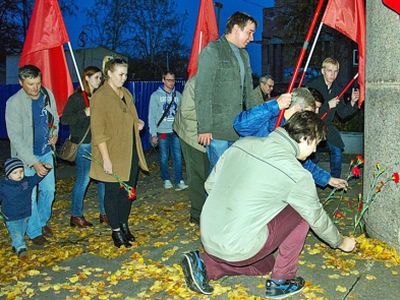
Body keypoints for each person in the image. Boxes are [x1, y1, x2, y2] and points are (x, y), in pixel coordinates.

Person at [180, 111, 356, 298]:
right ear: (305, 138)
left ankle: (205, 266)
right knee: (302, 211)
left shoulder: (243, 144)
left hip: (209, 235)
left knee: (265, 266)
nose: (314, 151)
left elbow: (210, 185)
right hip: (239, 245)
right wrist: (340, 242)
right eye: (315, 144)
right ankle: (282, 281)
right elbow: (316, 216)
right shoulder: (296, 174)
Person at [233, 87, 348, 190]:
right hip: (245, 178)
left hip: (266, 183)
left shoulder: (294, 129)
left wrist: (327, 179)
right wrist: (275, 105)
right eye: (307, 114)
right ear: (298, 109)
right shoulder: (270, 118)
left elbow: (301, 160)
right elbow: (240, 125)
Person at [90, 57, 149, 248]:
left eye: (126, 74)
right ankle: (115, 230)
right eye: (120, 74)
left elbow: (130, 117)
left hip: (129, 151)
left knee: (128, 191)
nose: (124, 78)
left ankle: (124, 224)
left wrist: (137, 123)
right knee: (113, 192)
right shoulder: (101, 97)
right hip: (111, 152)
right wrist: (106, 160)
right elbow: (98, 132)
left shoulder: (126, 94)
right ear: (109, 73)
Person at [195, 11, 257, 170]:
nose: (252, 38)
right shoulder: (213, 50)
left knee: (234, 175)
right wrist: (204, 128)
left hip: (240, 129)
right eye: (249, 32)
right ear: (236, 28)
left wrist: (253, 120)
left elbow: (248, 92)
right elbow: (203, 91)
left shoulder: (244, 55)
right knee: (218, 177)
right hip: (218, 131)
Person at [5, 65, 59, 246]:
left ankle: (42, 222)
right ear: (21, 82)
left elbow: (54, 118)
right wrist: (34, 162)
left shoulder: (47, 94)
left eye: (37, 82)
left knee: (49, 191)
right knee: (30, 194)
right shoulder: (13, 103)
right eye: (30, 84)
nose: (35, 88)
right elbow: (15, 137)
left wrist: (55, 132)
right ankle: (34, 230)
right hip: (25, 159)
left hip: (46, 152)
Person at [61, 66, 107, 227]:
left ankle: (104, 212)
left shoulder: (99, 97)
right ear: (86, 78)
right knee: (84, 179)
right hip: (84, 145)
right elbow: (64, 119)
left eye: (101, 78)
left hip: (98, 143)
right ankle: (76, 215)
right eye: (96, 77)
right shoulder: (77, 98)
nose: (99, 81)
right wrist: (84, 113)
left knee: (103, 179)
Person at [307, 57, 359, 178]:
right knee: (310, 157)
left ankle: (335, 181)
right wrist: (327, 105)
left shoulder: (337, 89)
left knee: (337, 149)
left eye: (335, 71)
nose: (332, 74)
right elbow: (307, 110)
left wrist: (352, 102)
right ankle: (308, 180)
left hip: (326, 127)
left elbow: (342, 113)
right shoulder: (313, 85)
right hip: (311, 125)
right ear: (322, 71)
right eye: (329, 70)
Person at [173, 76, 209, 224]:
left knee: (207, 173)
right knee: (197, 174)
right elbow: (187, 111)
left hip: (207, 134)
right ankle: (197, 214)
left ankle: (207, 210)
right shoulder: (194, 83)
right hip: (190, 134)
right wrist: (210, 119)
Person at [0, 158, 51, 257]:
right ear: (8, 174)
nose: (19, 174)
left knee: (21, 232)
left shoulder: (26, 182)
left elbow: (36, 178)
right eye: (15, 172)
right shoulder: (3, 185)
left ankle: (16, 245)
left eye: (21, 171)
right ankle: (21, 248)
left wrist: (45, 169)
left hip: (25, 213)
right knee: (16, 233)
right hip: (11, 216)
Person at [148, 71, 188, 191]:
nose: (171, 83)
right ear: (163, 80)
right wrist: (153, 134)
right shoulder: (155, 96)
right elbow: (152, 116)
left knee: (177, 156)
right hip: (162, 132)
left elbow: (182, 114)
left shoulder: (178, 95)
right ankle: (166, 179)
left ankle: (179, 180)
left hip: (175, 131)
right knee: (164, 157)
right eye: (168, 80)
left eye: (173, 80)